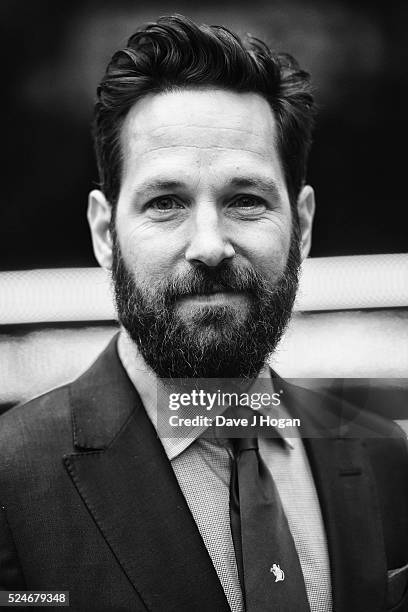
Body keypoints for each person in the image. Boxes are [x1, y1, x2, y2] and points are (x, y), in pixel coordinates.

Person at [0, 14, 407, 612]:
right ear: (105, 232)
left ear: (304, 224)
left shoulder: (382, 455)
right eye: (165, 203)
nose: (210, 244)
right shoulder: (10, 482)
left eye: (246, 200)